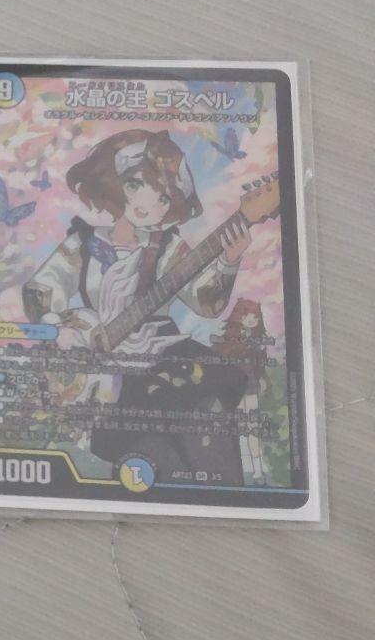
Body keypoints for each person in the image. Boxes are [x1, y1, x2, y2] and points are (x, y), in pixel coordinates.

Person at [22, 128, 250, 483]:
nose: (147, 202)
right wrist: (62, 327)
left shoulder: (169, 247)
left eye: (163, 197)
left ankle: (227, 494)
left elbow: (206, 303)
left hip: (165, 354)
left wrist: (228, 263)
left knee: (206, 419)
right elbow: (40, 291)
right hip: (107, 369)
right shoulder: (83, 244)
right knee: (151, 451)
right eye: (135, 185)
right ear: (115, 183)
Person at [213, 298, 271, 482]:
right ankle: (239, 468)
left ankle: (258, 470)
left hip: (251, 384)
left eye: (256, 316)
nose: (252, 319)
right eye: (247, 315)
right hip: (234, 385)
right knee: (237, 426)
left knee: (253, 426)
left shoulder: (257, 340)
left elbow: (259, 365)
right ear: (239, 316)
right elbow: (220, 361)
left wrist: (262, 378)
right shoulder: (229, 339)